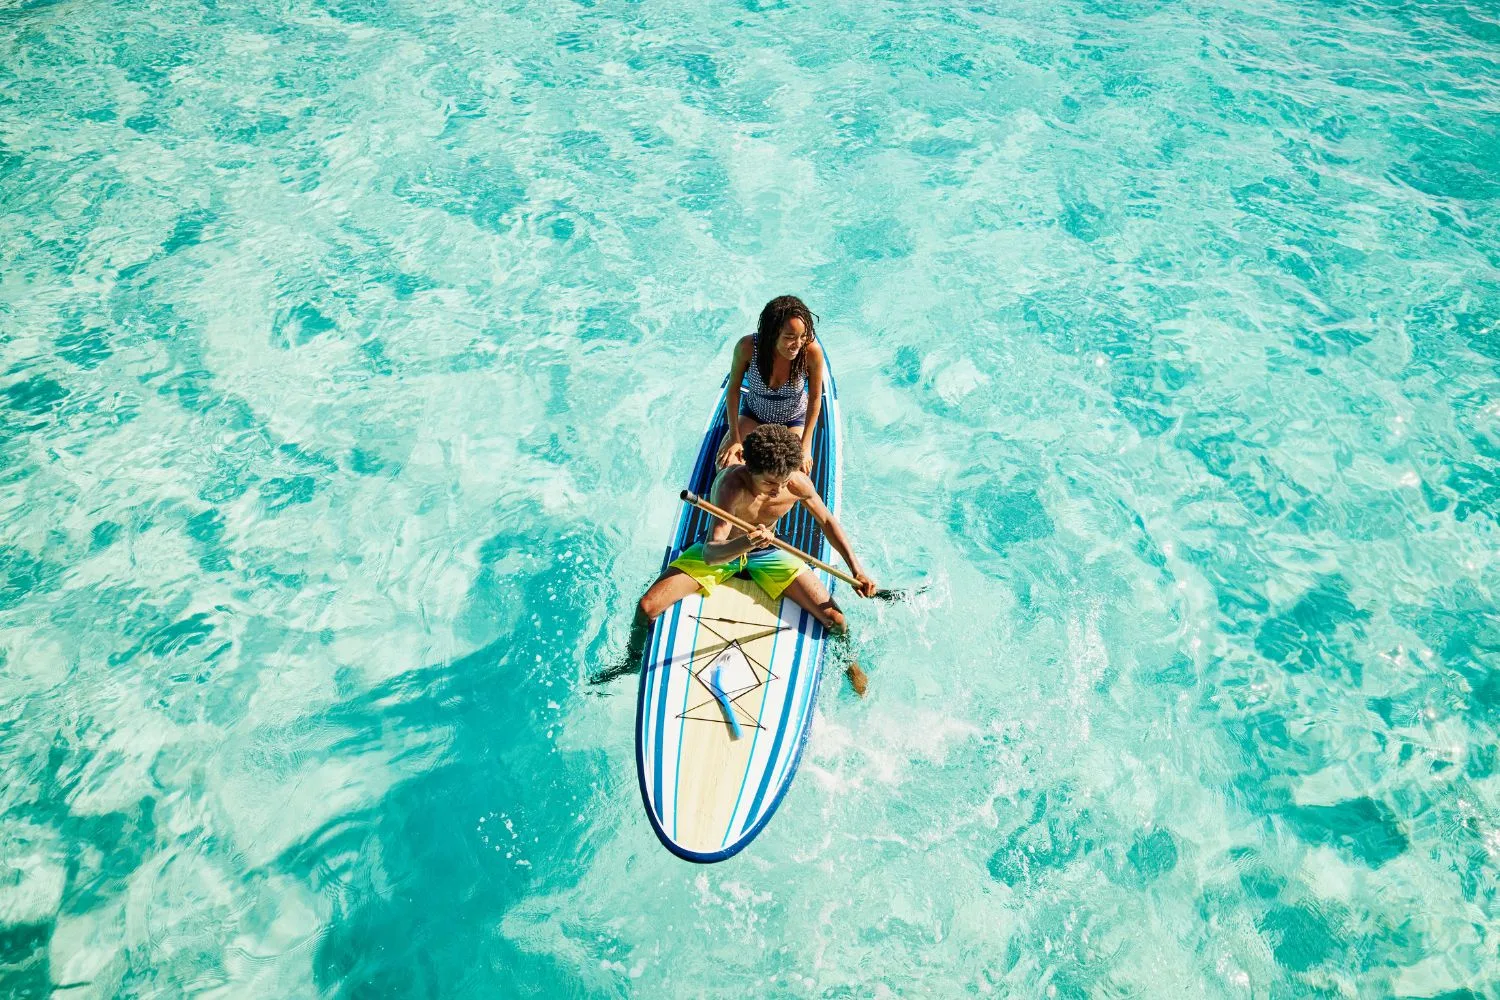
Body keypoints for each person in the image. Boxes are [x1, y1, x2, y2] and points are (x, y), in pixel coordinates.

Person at [640, 423, 877, 693]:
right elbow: (710, 553)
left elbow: (826, 521)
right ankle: (633, 661)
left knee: (836, 619)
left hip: (767, 553)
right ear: (749, 469)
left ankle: (852, 668)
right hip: (727, 550)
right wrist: (744, 541)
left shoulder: (796, 483)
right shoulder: (730, 485)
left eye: (784, 482)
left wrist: (856, 570)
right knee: (647, 607)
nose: (778, 491)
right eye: (769, 483)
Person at [716, 295, 826, 475]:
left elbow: (815, 398)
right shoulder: (747, 347)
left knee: (793, 475)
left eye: (803, 336)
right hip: (754, 415)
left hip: (793, 420)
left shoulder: (811, 351)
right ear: (771, 333)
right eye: (790, 337)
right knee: (726, 468)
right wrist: (734, 437)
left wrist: (806, 446)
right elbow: (734, 389)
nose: (798, 344)